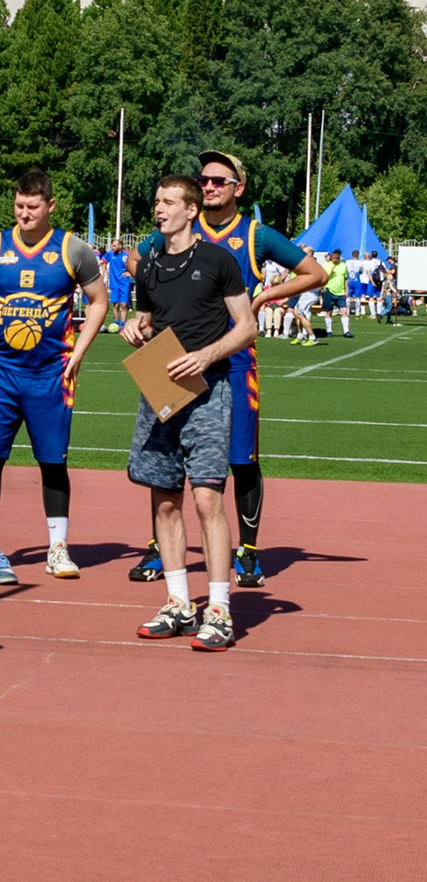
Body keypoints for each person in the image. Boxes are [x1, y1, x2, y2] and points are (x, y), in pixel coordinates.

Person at [128, 151, 323, 589]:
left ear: (239, 187)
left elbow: (315, 273)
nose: (211, 185)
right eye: (205, 179)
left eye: (220, 180)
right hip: (174, 360)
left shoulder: (255, 234)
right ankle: (160, 547)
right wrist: (157, 301)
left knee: (240, 457)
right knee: (164, 461)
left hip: (232, 363)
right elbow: (133, 261)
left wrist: (262, 297)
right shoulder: (175, 227)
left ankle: (248, 551)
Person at [0, 170, 109, 581]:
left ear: (50, 206)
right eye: (19, 205)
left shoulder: (73, 249)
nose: (24, 213)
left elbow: (98, 301)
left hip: (51, 374)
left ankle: (57, 547)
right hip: (0, 372)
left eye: (33, 207)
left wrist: (80, 351)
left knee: (52, 462)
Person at [123, 174, 257, 652]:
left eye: (168, 202)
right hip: (160, 390)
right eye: (157, 201)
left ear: (191, 210)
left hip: (208, 390)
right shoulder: (149, 265)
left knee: (206, 499)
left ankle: (219, 610)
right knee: (163, 500)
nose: (159, 209)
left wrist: (206, 355)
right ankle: (179, 603)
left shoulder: (218, 260)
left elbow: (247, 326)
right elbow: (148, 321)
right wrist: (134, 328)